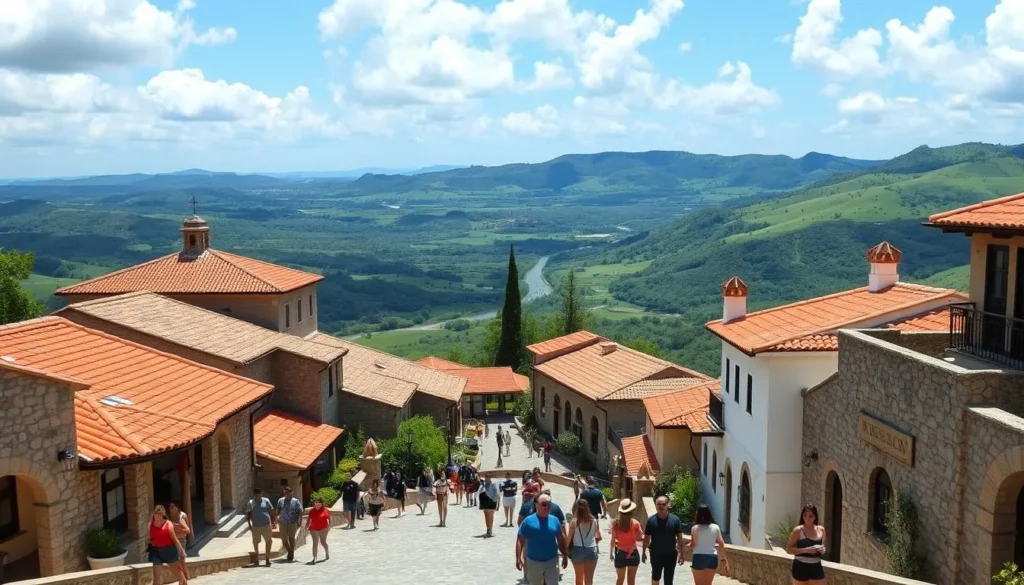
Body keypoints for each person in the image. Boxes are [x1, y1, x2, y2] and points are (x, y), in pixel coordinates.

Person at [516, 494, 569, 585]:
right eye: (544, 504)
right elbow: (520, 539)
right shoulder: (528, 521)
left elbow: (560, 538)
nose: (547, 507)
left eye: (549, 504)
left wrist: (565, 555)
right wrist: (518, 558)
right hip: (533, 562)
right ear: (537, 505)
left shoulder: (555, 520)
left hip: (552, 561)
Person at [643, 495, 686, 585]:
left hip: (670, 554)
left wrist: (682, 554)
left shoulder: (675, 520)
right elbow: (646, 538)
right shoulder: (651, 520)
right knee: (655, 577)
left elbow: (680, 538)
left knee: (669, 580)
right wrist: (643, 553)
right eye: (658, 504)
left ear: (668, 505)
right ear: (656, 505)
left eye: (663, 504)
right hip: (655, 554)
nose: (661, 506)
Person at [786, 504, 827, 585]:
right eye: (805, 515)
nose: (807, 518)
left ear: (815, 517)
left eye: (810, 516)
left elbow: (823, 546)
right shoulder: (798, 530)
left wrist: (822, 550)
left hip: (816, 566)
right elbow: (788, 549)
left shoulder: (821, 530)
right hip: (801, 566)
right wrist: (807, 550)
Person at [689, 504, 729, 585]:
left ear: (698, 514)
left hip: (698, 556)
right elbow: (721, 544)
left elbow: (693, 545)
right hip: (712, 557)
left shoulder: (695, 528)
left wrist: (686, 545)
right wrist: (724, 560)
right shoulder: (716, 527)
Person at [150, 505, 188, 585]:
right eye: (156, 514)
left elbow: (175, 540)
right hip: (156, 551)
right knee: (156, 577)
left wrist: (182, 552)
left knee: (179, 575)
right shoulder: (151, 524)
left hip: (169, 551)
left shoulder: (168, 524)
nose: (157, 516)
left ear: (162, 515)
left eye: (159, 514)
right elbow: (149, 537)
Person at [610, 499, 644, 585]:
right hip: (633, 553)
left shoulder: (615, 523)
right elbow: (639, 538)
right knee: (631, 580)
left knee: (620, 579)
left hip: (620, 553)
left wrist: (611, 553)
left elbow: (612, 540)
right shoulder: (635, 523)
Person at [568, 499, 602, 585]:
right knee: (589, 581)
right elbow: (599, 537)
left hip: (578, 550)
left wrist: (565, 551)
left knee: (579, 579)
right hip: (591, 549)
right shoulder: (594, 521)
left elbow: (568, 539)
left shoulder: (574, 522)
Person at [245, 487, 276, 567]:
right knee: (255, 543)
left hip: (266, 525)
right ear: (254, 494)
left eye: (260, 494)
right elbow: (248, 514)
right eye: (257, 494)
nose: (258, 495)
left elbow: (271, 510)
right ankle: (257, 560)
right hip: (256, 526)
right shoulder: (251, 503)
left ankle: (267, 558)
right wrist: (249, 525)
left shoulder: (266, 501)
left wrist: (273, 521)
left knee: (269, 541)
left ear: (261, 494)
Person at [276, 486, 304, 562]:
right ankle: (290, 551)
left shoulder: (296, 501)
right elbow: (278, 510)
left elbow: (300, 511)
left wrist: (300, 521)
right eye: (285, 492)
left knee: (291, 538)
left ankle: (291, 554)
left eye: (288, 492)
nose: (287, 494)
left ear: (292, 492)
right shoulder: (280, 500)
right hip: (283, 522)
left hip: (292, 522)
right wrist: (276, 518)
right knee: (284, 539)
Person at [167, 501, 190, 579]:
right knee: (176, 561)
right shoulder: (168, 517)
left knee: (182, 561)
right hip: (172, 541)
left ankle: (186, 578)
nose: (171, 508)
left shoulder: (181, 517)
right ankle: (183, 578)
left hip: (181, 540)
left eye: (173, 507)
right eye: (170, 507)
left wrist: (177, 528)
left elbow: (187, 530)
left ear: (177, 508)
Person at [305, 497, 331, 564]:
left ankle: (326, 551)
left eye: (319, 502)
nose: (317, 504)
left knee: (323, 542)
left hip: (323, 528)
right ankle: (314, 557)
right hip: (313, 529)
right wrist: (306, 527)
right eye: (316, 502)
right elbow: (308, 520)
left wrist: (329, 526)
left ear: (322, 503)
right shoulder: (312, 511)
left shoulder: (325, 510)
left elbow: (329, 520)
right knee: (315, 542)